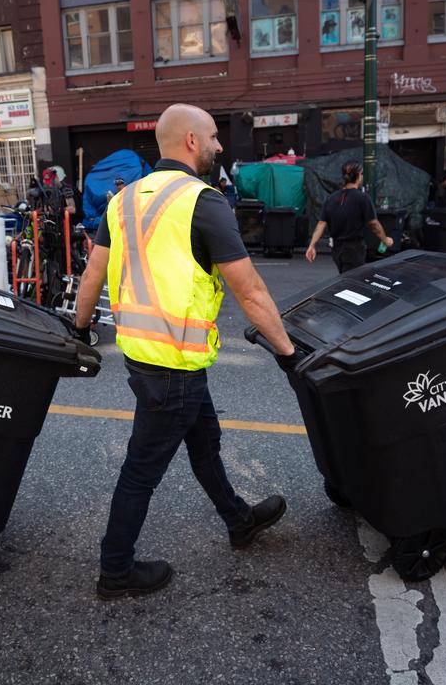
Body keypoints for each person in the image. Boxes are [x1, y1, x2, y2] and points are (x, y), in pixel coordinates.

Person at [73, 103, 296, 600]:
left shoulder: (123, 200)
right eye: (214, 137)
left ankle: (238, 522)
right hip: (174, 365)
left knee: (204, 442)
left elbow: (92, 275)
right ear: (192, 141)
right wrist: (288, 354)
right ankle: (115, 571)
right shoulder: (204, 201)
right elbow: (251, 291)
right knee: (141, 471)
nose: (219, 146)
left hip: (149, 358)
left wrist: (80, 331)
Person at [305, 162, 394, 273]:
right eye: (361, 174)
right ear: (358, 176)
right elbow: (373, 224)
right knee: (352, 280)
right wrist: (385, 240)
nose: (362, 176)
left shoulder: (331, 198)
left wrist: (312, 245)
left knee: (345, 276)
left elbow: (321, 224)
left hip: (336, 249)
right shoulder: (363, 198)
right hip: (354, 249)